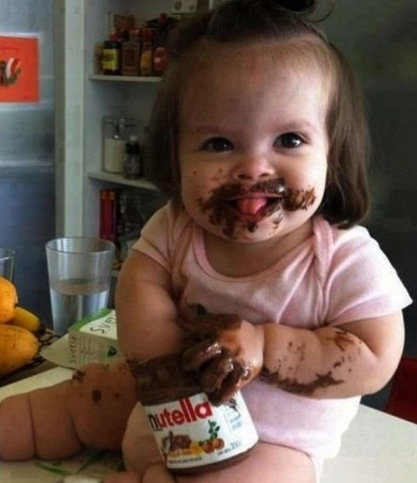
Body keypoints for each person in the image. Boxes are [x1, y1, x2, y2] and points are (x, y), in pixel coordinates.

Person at [112, 0, 412, 482]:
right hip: (172, 417)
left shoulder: (341, 258)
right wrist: (162, 358)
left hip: (277, 446)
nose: (253, 168)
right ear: (174, 156)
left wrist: (266, 348)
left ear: (333, 153)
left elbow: (375, 358)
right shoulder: (175, 228)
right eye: (218, 144)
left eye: (289, 140)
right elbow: (138, 285)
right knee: (93, 415)